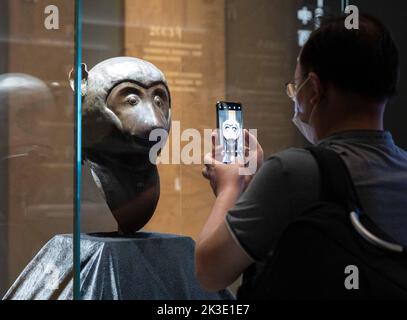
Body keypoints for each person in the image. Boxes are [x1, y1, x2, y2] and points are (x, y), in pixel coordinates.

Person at [196, 14, 407, 293]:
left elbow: (209, 271)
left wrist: (229, 189)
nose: (295, 99)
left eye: (296, 87)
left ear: (314, 90)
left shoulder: (292, 171)